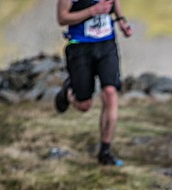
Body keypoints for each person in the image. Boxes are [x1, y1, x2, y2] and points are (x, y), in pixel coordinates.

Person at [54, 0, 132, 166]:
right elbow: (62, 18)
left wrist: (121, 22)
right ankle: (68, 93)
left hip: (107, 45)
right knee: (84, 105)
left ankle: (105, 151)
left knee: (110, 92)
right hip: (80, 47)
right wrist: (92, 11)